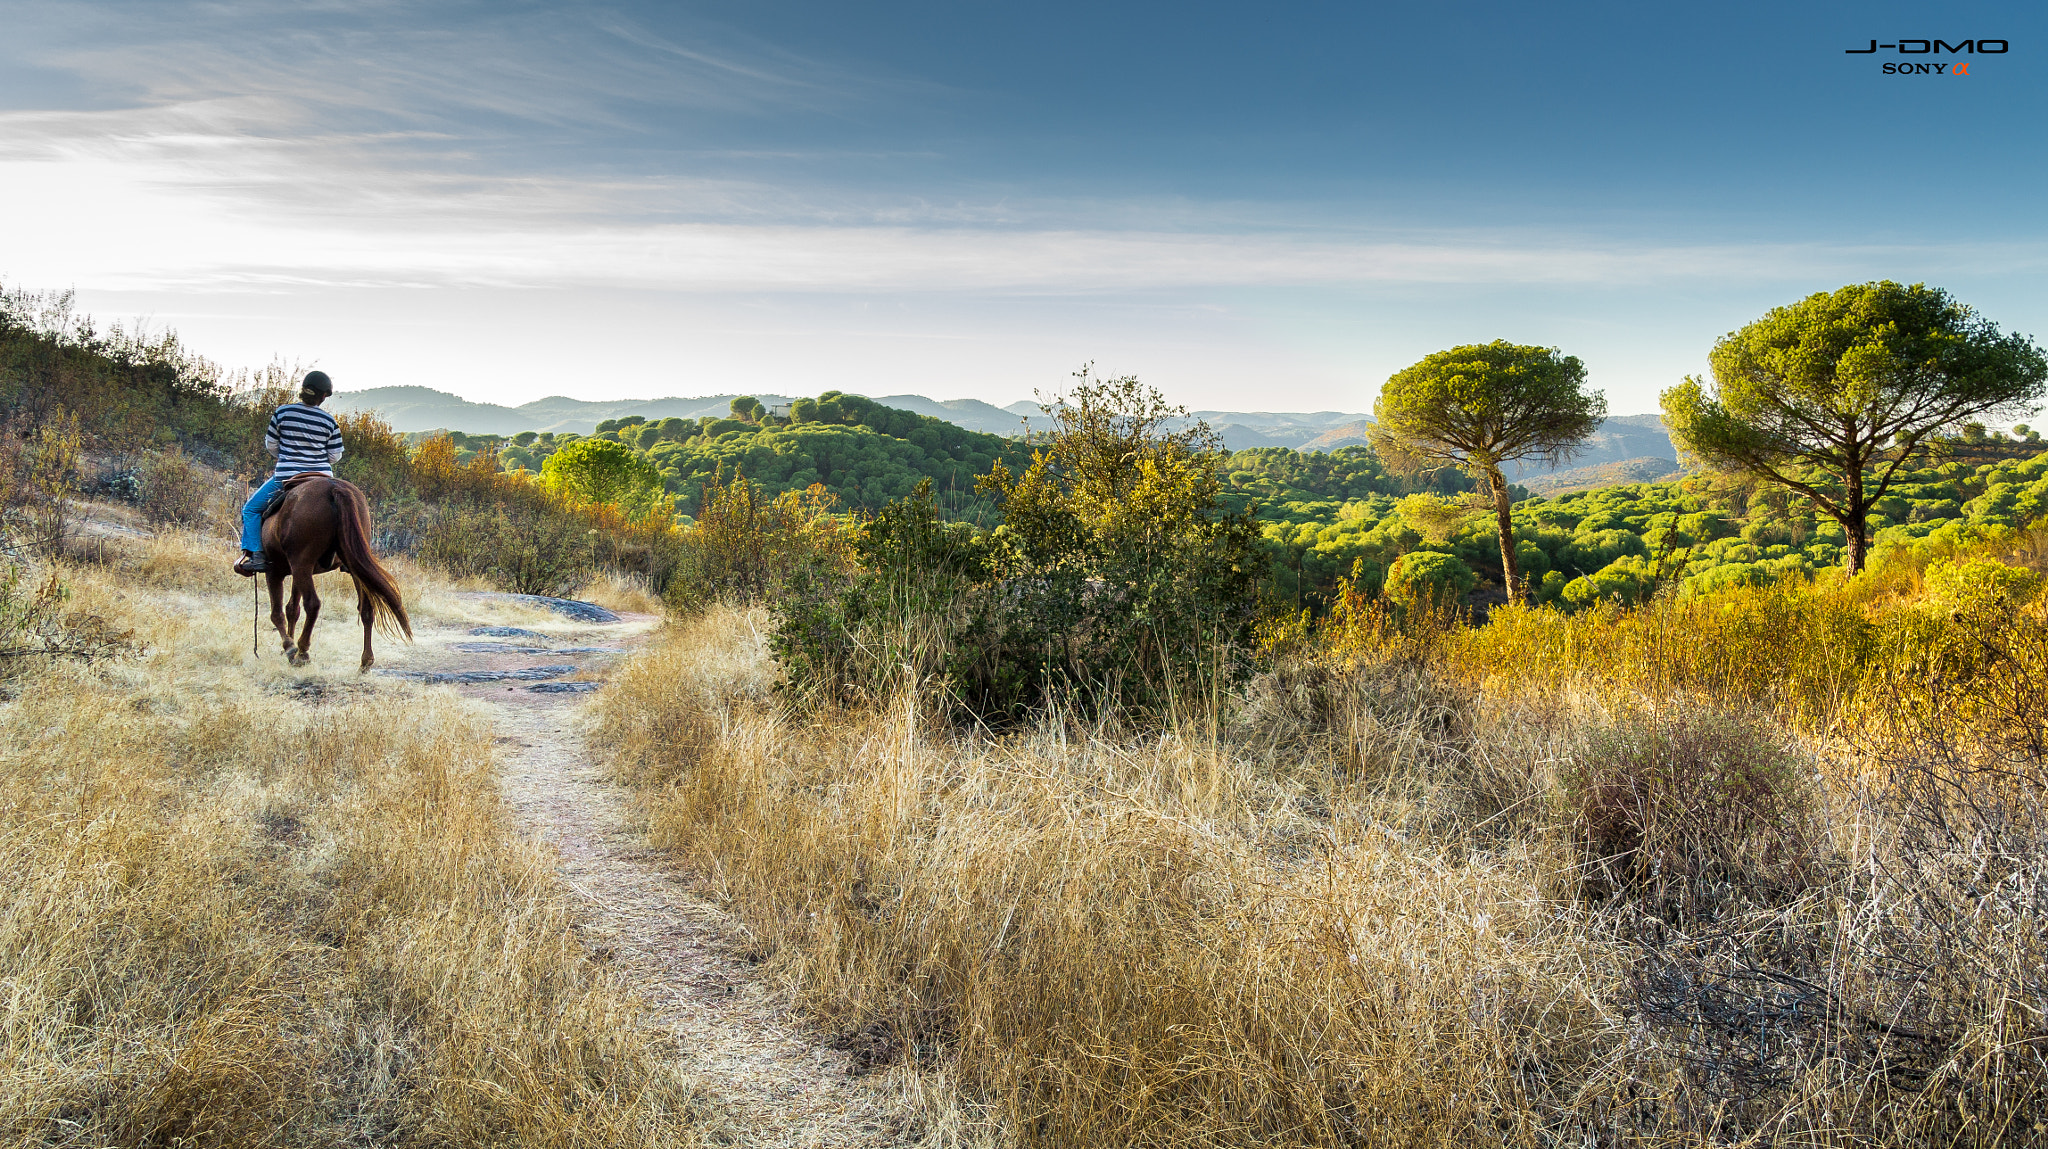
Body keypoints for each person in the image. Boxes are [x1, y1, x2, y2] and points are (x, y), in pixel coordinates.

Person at [235, 371, 345, 575]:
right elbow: (335, 455)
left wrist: (287, 455)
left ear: (303, 390)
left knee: (251, 509)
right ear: (323, 396)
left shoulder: (283, 413)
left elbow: (271, 445)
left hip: (287, 477)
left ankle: (256, 555)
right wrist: (315, 458)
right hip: (321, 477)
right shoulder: (329, 421)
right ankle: (346, 554)